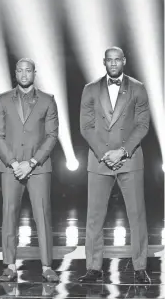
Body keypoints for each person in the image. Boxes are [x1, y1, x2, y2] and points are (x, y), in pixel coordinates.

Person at [79, 47, 150, 283]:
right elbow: (86, 127)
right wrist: (104, 153)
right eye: (109, 60)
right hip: (99, 160)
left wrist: (121, 151)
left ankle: (140, 268)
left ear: (124, 61)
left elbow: (142, 125)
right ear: (103, 62)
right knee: (94, 217)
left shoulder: (137, 88)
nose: (113, 63)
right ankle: (93, 268)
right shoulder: (90, 90)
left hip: (129, 159)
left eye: (117, 60)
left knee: (137, 215)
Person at [0, 58, 59, 282]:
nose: (23, 74)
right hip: (10, 167)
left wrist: (31, 163)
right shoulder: (2, 100)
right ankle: (9, 266)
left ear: (34, 73)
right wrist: (13, 163)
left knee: (42, 216)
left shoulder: (48, 100)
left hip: (38, 168)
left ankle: (47, 266)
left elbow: (51, 136)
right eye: (19, 70)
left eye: (27, 70)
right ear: (15, 73)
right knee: (9, 215)